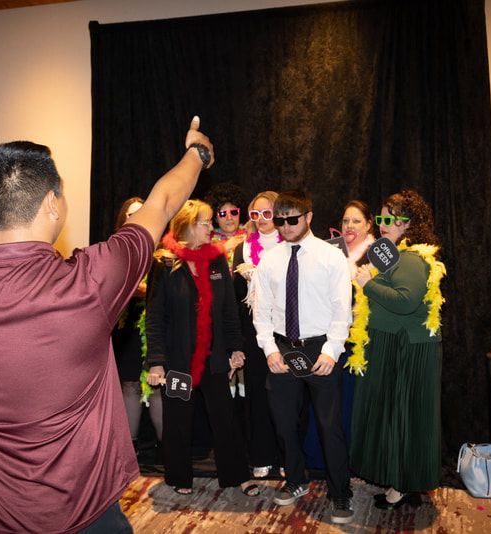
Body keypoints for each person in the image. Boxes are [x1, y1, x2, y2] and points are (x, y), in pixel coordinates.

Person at [0, 117, 214, 533]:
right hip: (82, 515)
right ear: (52, 203)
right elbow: (162, 203)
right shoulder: (88, 282)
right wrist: (197, 154)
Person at [252, 189, 354, 524]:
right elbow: (261, 311)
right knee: (283, 423)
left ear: (309, 217)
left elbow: (343, 309)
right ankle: (295, 479)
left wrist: (331, 351)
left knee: (329, 426)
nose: (284, 226)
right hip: (282, 349)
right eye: (279, 220)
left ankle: (341, 492)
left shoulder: (331, 257)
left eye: (292, 219)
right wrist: (269, 349)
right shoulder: (270, 259)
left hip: (320, 347)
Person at [144, 200, 259, 497]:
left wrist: (235, 347)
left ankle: (237, 475)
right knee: (178, 420)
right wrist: (156, 361)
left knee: (225, 418)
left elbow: (229, 311)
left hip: (214, 356)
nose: (212, 227)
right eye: (206, 222)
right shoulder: (165, 263)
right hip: (177, 358)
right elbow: (155, 316)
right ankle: (179, 476)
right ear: (188, 226)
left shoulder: (217, 260)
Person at [349, 190, 446, 510]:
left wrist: (368, 284)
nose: (385, 224)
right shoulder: (394, 254)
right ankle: (399, 481)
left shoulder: (412, 258)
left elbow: (406, 301)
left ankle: (402, 485)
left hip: (406, 349)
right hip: (393, 343)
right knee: (396, 416)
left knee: (404, 417)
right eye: (382, 218)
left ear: (410, 224)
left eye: (393, 219)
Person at [231, 191, 283, 478]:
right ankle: (261, 455)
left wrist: (262, 278)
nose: (261, 220)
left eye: (267, 213)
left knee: (287, 396)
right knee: (257, 396)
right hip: (253, 333)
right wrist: (244, 280)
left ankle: (288, 456)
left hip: (285, 331)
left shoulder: (289, 244)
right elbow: (235, 296)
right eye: (255, 215)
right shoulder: (242, 249)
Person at [111, 197, 164, 452]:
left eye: (139, 213)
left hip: (155, 322)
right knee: (130, 384)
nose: (135, 218)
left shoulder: (160, 250)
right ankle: (129, 448)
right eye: (130, 214)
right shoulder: (113, 250)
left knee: (156, 386)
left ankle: (167, 449)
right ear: (123, 219)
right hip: (126, 325)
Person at [205, 182, 247, 267]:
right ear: (215, 218)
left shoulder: (250, 235)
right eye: (223, 214)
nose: (229, 218)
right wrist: (224, 248)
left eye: (234, 212)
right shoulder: (205, 239)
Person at [340, 200, 376, 275]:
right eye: (345, 221)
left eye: (356, 221)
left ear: (368, 225)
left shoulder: (376, 255)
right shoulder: (332, 249)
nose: (349, 225)